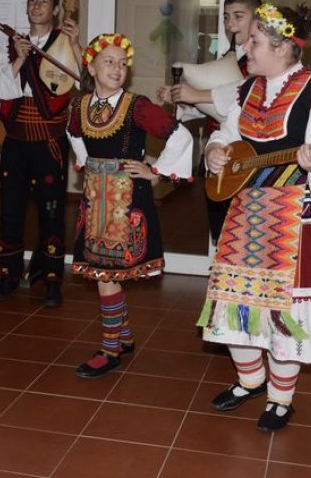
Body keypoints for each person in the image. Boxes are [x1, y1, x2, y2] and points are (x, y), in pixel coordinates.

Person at [196, 2, 311, 430]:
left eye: (255, 42)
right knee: (233, 302)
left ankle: (280, 398)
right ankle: (249, 380)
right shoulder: (248, 90)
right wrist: (216, 151)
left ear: (281, 49)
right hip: (247, 214)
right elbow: (227, 133)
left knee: (286, 312)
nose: (247, 48)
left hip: (296, 218)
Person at [68, 33, 193, 378]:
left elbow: (180, 135)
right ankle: (122, 337)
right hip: (95, 197)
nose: (117, 68)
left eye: (123, 63)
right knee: (103, 272)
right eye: (108, 61)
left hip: (125, 200)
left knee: (106, 274)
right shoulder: (80, 105)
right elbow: (74, 132)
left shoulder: (136, 106)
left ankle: (110, 350)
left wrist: (156, 172)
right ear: (91, 66)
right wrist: (84, 161)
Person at [0, 0, 82, 307]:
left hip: (49, 143)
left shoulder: (65, 42)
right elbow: (1, 89)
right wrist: (19, 59)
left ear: (56, 9)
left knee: (52, 212)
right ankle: (9, 274)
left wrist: (76, 44)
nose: (37, 6)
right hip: (15, 141)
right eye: (33, 1)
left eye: (45, 1)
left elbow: (80, 79)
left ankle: (51, 278)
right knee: (10, 211)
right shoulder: (13, 43)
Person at [157, 0, 261, 242]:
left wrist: (196, 94)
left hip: (248, 149)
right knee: (220, 224)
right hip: (219, 144)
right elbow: (214, 106)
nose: (230, 24)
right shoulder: (228, 58)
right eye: (226, 17)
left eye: (238, 16)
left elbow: (245, 93)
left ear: (257, 18)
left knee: (245, 226)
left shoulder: (262, 61)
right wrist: (181, 98)